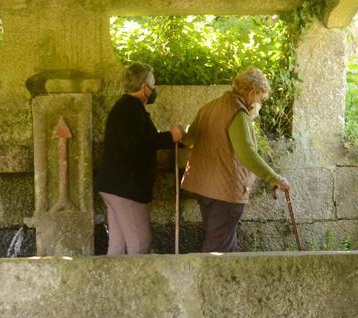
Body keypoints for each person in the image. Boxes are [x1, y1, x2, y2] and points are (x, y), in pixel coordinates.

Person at [180, 67, 290, 253]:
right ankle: (209, 281)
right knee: (218, 250)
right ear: (252, 92)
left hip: (204, 189)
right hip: (225, 193)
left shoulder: (210, 107)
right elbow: (247, 154)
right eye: (260, 98)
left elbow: (189, 139)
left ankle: (222, 280)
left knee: (222, 242)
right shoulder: (237, 114)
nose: (259, 103)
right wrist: (274, 178)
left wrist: (179, 131)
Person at [96, 62, 184, 255]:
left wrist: (169, 137)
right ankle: (136, 284)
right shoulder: (130, 108)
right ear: (144, 87)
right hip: (126, 188)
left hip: (114, 186)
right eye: (153, 85)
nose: (154, 89)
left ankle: (114, 284)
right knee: (140, 243)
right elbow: (138, 143)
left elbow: (138, 139)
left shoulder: (126, 107)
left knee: (118, 245)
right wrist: (171, 136)